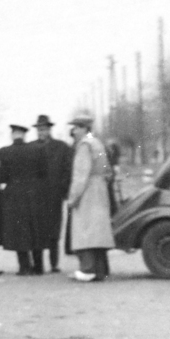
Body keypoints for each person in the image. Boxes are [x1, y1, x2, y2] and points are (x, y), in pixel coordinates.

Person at [65, 110, 114, 282]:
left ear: (84, 128)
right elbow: (108, 170)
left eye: (77, 128)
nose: (74, 131)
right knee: (98, 231)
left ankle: (87, 269)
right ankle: (101, 269)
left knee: (84, 231)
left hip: (88, 192)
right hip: (100, 190)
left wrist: (72, 199)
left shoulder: (84, 146)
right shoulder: (98, 144)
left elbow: (80, 176)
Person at [0, 124, 45, 275]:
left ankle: (24, 266)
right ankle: (39, 266)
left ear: (12, 135)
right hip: (35, 193)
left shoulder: (4, 152)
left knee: (19, 229)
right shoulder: (37, 150)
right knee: (36, 228)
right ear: (24, 135)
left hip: (14, 194)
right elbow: (43, 172)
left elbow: (1, 176)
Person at [33, 114, 71, 273]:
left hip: (54, 195)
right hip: (36, 196)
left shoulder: (61, 147)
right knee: (37, 228)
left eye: (44, 129)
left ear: (50, 129)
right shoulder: (31, 148)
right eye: (39, 129)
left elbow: (68, 170)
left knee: (54, 229)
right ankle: (39, 264)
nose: (42, 132)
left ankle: (54, 263)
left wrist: (63, 189)